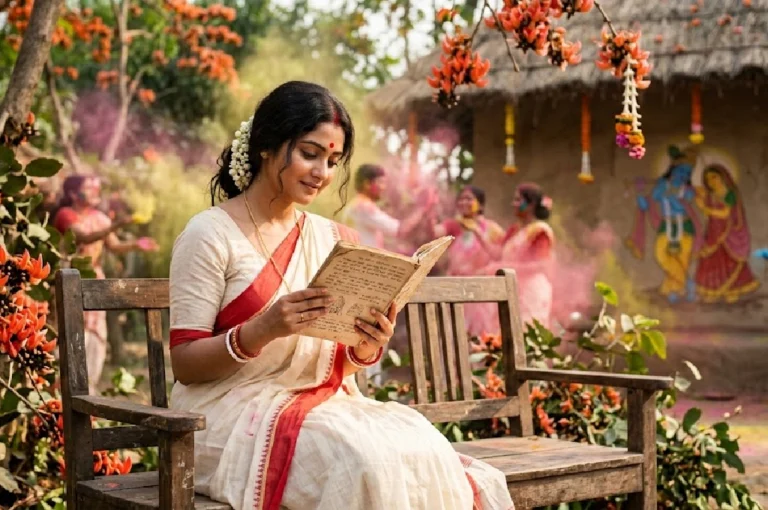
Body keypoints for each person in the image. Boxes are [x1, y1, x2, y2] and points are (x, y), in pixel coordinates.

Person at [168, 81, 513, 510]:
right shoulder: (210, 234)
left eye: (333, 160)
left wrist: (368, 342)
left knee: (422, 448)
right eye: (310, 153)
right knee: (362, 462)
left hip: (322, 404)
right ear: (267, 146)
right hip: (224, 417)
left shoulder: (333, 239)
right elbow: (184, 363)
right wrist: (262, 329)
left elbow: (335, 359)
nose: (322, 172)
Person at [53, 175, 158, 394]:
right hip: (69, 281)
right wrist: (118, 223)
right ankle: (62, 393)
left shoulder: (100, 218)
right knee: (69, 334)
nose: (95, 192)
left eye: (96, 188)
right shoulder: (65, 215)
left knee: (96, 335)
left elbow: (114, 246)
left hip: (94, 280)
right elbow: (84, 238)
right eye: (89, 188)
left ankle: (88, 391)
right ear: (73, 194)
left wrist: (136, 245)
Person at [433, 185, 505, 336]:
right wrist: (429, 210)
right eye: (461, 199)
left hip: (480, 290)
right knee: (453, 334)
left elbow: (498, 256)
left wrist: (478, 233)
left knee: (481, 338)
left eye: (469, 198)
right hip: (454, 286)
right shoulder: (453, 225)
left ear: (481, 204)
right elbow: (434, 233)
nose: (464, 202)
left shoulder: (492, 229)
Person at [486, 183, 555, 329]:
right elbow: (498, 254)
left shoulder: (540, 231)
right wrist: (476, 230)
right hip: (511, 287)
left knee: (526, 334)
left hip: (530, 292)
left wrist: (504, 267)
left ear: (531, 205)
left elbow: (541, 265)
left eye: (518, 200)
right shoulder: (515, 229)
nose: (514, 204)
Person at [693, 164, 759, 303]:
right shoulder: (711, 196)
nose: (711, 181)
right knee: (712, 263)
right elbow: (709, 216)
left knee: (730, 262)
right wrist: (701, 199)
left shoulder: (730, 193)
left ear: (722, 177)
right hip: (714, 234)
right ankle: (713, 292)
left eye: (714, 177)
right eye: (708, 179)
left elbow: (725, 213)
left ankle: (732, 290)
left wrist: (705, 208)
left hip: (729, 234)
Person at [341, 163, 428, 250]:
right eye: (381, 182)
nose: (384, 187)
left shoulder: (354, 205)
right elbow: (401, 230)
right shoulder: (364, 207)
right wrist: (422, 207)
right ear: (367, 184)